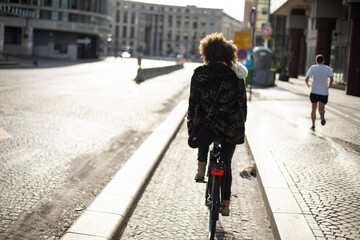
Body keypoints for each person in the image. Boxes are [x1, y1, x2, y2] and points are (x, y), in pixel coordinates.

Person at [187, 33, 248, 216]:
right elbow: (242, 104)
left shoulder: (199, 74)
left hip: (209, 126)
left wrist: (191, 123)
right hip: (231, 127)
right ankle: (226, 205)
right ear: (229, 53)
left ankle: (200, 169)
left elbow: (193, 103)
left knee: (203, 126)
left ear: (206, 53)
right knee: (226, 164)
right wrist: (240, 121)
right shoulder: (235, 75)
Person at [305, 54, 334, 131]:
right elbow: (331, 79)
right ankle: (322, 115)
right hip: (324, 92)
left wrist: (308, 84)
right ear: (324, 61)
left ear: (316, 61)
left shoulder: (313, 67)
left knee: (313, 109)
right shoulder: (328, 69)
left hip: (314, 91)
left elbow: (306, 78)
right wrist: (329, 86)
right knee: (321, 108)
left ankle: (313, 125)